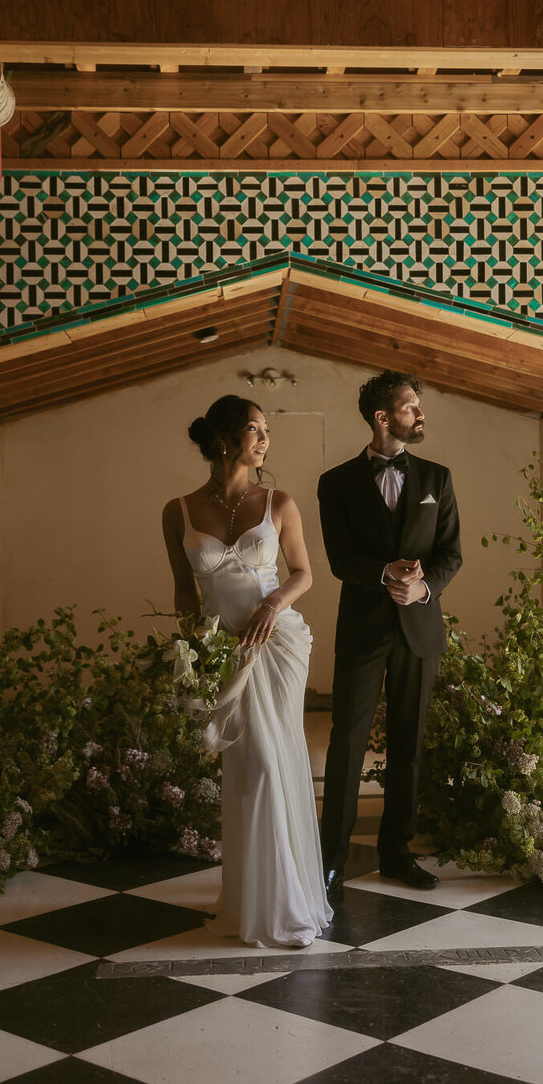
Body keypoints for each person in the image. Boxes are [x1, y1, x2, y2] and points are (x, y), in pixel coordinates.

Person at [163, 394, 331, 948]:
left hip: (273, 644)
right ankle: (249, 900)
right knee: (243, 771)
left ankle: (286, 903)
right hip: (221, 654)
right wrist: (193, 654)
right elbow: (185, 591)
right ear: (224, 440)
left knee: (271, 762)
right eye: (255, 430)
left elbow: (304, 573)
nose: (265, 440)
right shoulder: (178, 511)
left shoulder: (279, 502)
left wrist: (271, 604)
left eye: (266, 431)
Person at [317, 370, 462, 894]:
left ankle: (396, 853)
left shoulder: (437, 478)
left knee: (410, 744)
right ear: (383, 418)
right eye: (410, 407)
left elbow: (450, 554)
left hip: (419, 627)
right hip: (363, 626)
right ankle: (330, 856)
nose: (420, 415)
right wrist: (384, 575)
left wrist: (423, 589)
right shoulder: (334, 483)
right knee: (347, 742)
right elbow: (339, 559)